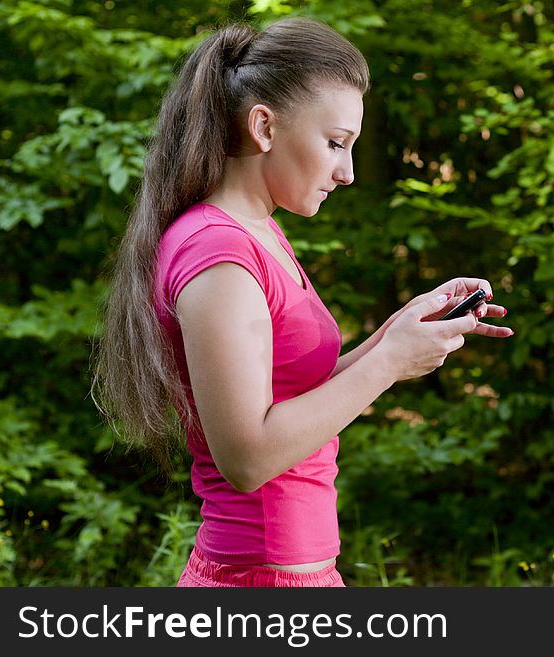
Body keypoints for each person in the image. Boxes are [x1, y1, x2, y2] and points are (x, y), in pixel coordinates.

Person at [91, 16, 512, 588]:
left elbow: (293, 392)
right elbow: (248, 457)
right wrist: (390, 363)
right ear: (263, 126)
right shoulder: (219, 255)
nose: (348, 172)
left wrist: (398, 334)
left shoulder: (256, 231)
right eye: (335, 143)